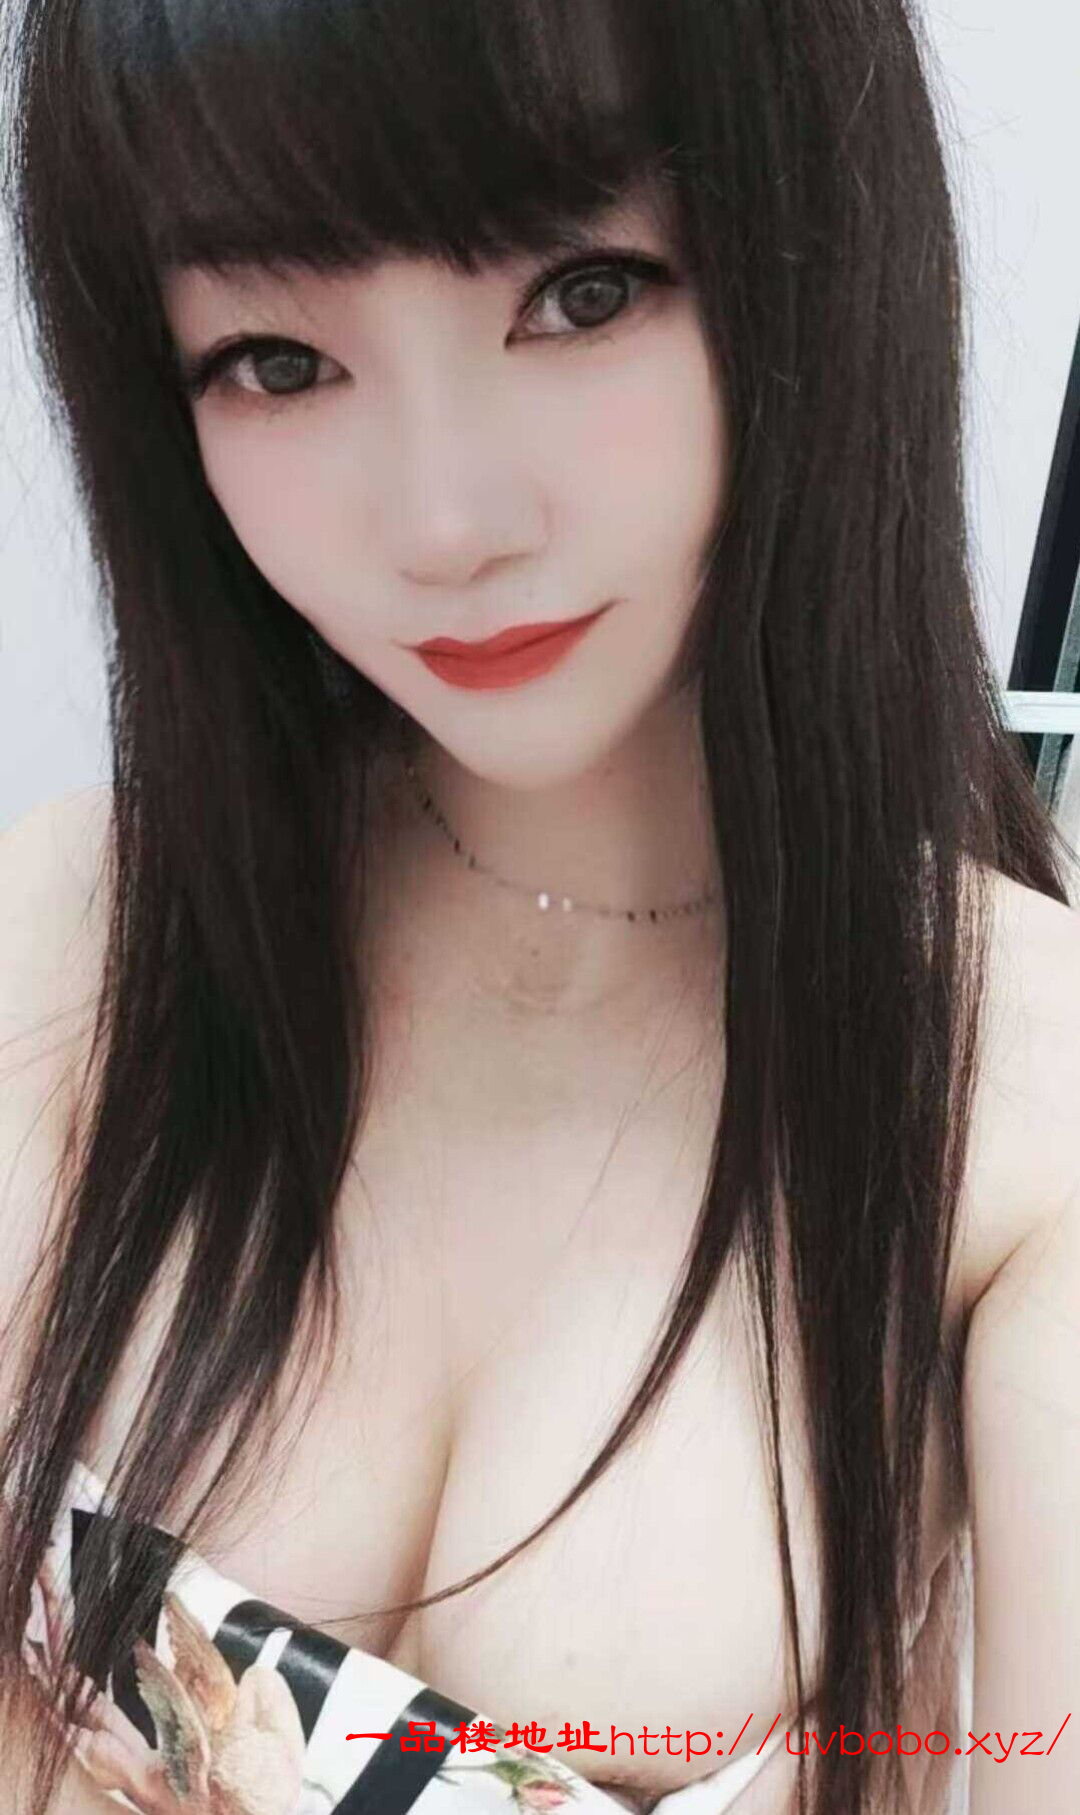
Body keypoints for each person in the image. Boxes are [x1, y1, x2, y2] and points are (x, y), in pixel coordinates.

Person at [0, 2, 1077, 1812]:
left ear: (816, 260)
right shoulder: (75, 939)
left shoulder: (1024, 1113)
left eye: (583, 293)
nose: (445, 523)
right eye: (277, 358)